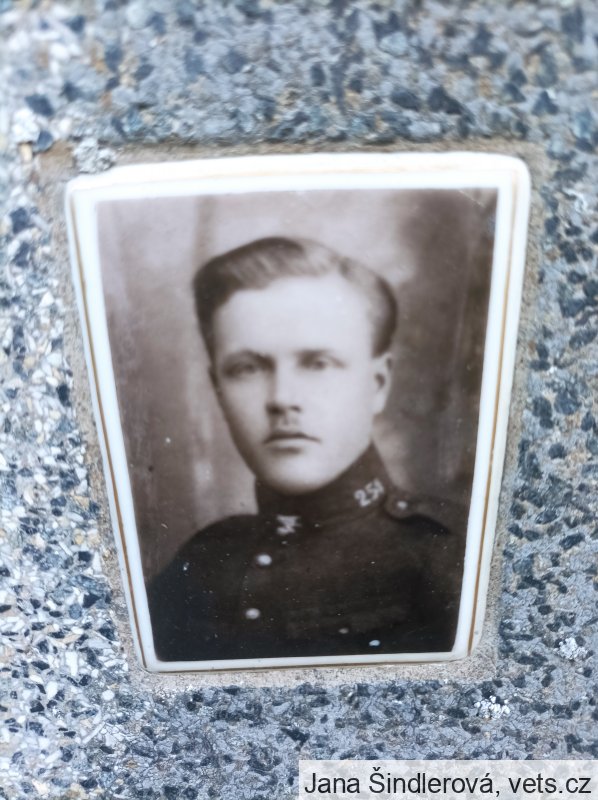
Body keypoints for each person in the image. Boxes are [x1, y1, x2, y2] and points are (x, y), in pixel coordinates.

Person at [148, 237, 463, 662]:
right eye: (247, 368)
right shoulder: (200, 566)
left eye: (318, 363)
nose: (282, 398)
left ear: (377, 384)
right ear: (218, 389)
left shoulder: (450, 555)